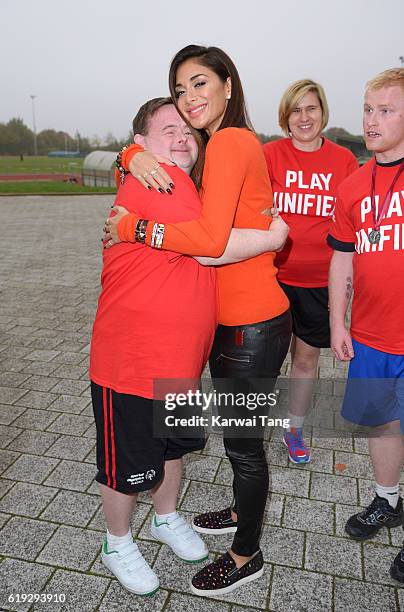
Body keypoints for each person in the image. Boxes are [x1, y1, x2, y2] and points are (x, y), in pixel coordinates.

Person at [104, 45, 292, 596]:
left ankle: (246, 554)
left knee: (244, 445)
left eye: (200, 83)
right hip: (228, 324)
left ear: (229, 86)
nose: (190, 99)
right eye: (180, 88)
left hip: (251, 324)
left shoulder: (232, 139)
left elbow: (208, 245)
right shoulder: (209, 145)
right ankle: (238, 511)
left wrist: (134, 227)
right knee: (237, 441)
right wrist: (128, 155)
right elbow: (168, 163)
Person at [328, 68, 404, 583]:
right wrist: (339, 323)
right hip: (372, 336)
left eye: (385, 110)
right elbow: (340, 261)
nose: (370, 120)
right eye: (367, 108)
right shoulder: (353, 185)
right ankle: (388, 500)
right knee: (382, 423)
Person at [263, 80, 358, 464]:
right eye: (296, 110)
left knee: (305, 360)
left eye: (311, 108)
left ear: (323, 112)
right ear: (286, 116)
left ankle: (294, 429)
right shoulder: (268, 154)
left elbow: (352, 225)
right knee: (264, 360)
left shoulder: (343, 161)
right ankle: (248, 430)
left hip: (319, 282)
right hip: (271, 277)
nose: (304, 117)